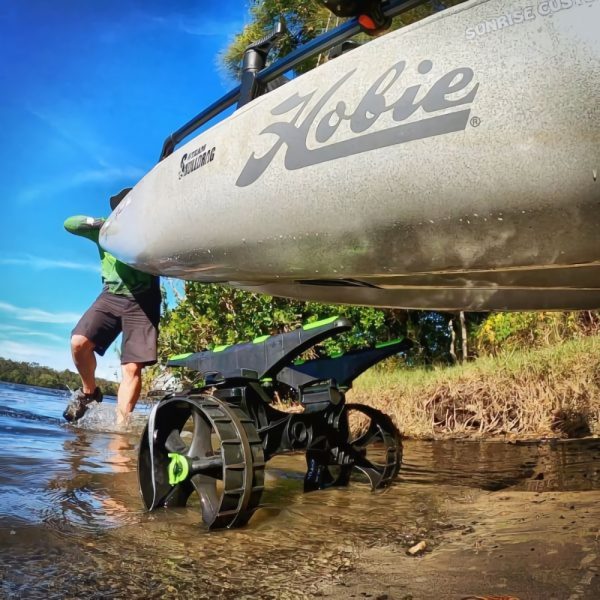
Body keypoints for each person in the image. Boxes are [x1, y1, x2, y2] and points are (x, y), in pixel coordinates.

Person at [63, 188, 161, 426]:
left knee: (132, 368)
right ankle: (89, 392)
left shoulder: (154, 230)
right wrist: (99, 224)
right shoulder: (105, 230)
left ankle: (121, 427)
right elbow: (70, 224)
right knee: (78, 342)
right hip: (111, 295)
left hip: (144, 299)